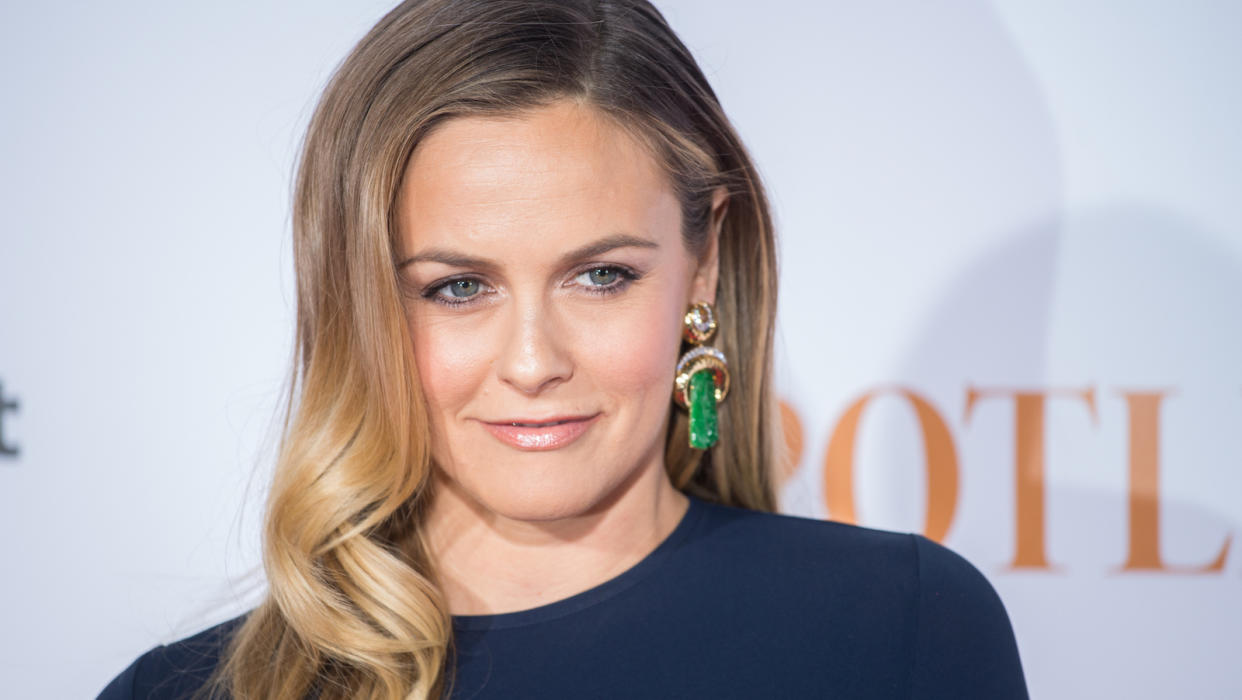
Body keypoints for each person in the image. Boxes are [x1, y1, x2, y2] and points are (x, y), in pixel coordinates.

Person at [98, 0, 1029, 698]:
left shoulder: (901, 626)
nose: (534, 361)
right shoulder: (186, 692)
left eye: (601, 276)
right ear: (362, 303)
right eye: (458, 288)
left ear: (702, 266)